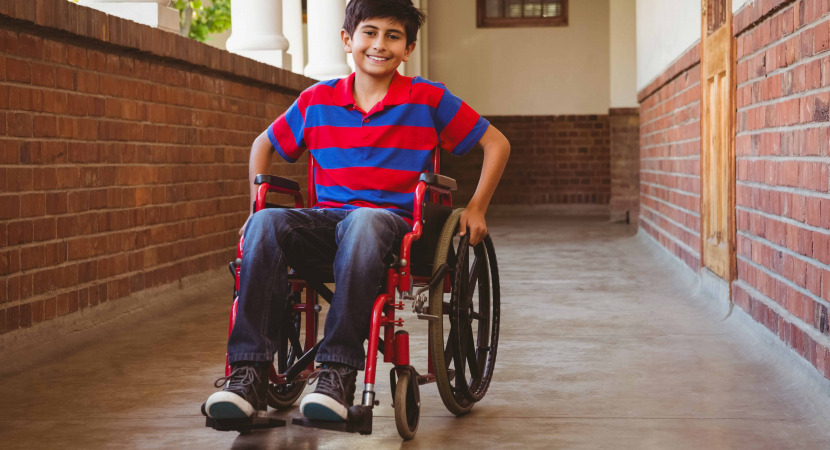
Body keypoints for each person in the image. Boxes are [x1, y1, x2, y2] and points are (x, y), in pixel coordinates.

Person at [204, 0, 510, 423]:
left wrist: (477, 206)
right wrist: (251, 207)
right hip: (328, 224)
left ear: (408, 48)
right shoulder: (318, 100)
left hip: (396, 227)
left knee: (364, 219)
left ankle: (337, 373)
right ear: (348, 40)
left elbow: (496, 143)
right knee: (264, 221)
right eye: (369, 32)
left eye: (393, 36)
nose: (379, 44)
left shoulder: (428, 98)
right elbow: (264, 144)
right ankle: (248, 374)